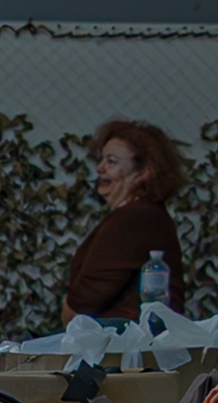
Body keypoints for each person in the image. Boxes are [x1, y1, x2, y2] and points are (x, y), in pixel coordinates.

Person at [70, 118, 191, 323]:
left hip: (124, 344)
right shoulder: (147, 214)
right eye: (101, 159)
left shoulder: (133, 219)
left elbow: (85, 300)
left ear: (143, 172)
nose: (100, 168)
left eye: (112, 161)